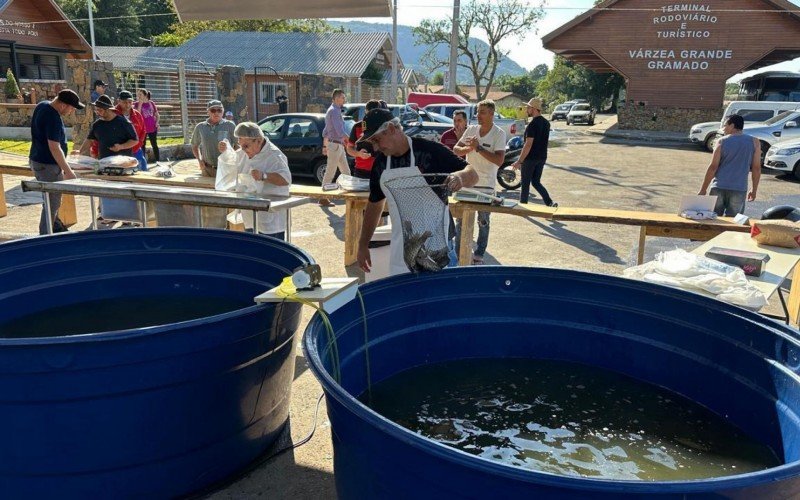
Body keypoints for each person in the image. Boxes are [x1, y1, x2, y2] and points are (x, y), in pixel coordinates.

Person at [356, 108, 479, 277]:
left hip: (439, 249)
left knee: (440, 300)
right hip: (402, 251)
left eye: (377, 139)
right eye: (372, 142)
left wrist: (460, 177)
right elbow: (374, 204)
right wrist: (363, 244)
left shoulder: (429, 151)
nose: (376, 147)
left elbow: (473, 174)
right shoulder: (381, 164)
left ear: (392, 129)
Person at [452, 99, 506, 264]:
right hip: (467, 183)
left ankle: (479, 255)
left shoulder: (499, 133)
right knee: (461, 220)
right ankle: (459, 253)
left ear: (491, 114)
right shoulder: (472, 129)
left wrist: (479, 148)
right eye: (477, 112)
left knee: (483, 222)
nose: (478, 115)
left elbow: (499, 161)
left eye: (482, 112)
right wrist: (468, 148)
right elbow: (456, 150)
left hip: (486, 185)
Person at [218, 122, 291, 240]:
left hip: (270, 218)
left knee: (271, 253)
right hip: (250, 214)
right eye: (241, 146)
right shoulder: (243, 152)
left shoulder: (274, 155)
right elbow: (232, 161)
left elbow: (286, 179)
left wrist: (264, 176)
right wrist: (226, 151)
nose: (243, 150)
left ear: (258, 140)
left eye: (246, 146)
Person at [28, 89, 84, 235]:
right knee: (52, 203)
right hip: (48, 165)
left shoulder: (42, 105)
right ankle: (46, 236)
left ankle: (55, 226)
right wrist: (68, 171)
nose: (71, 111)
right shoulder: (53, 118)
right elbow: (54, 147)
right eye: (71, 108)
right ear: (63, 105)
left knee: (51, 199)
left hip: (38, 160)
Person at [698, 114, 761, 216]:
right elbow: (756, 168)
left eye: (725, 125)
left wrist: (703, 189)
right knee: (734, 223)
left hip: (718, 187)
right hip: (739, 189)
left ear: (732, 125)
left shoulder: (721, 141)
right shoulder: (754, 142)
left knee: (712, 220)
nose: (724, 128)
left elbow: (713, 167)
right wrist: (754, 190)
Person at [513, 97, 557, 207]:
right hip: (542, 157)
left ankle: (523, 206)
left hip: (530, 158)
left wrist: (519, 161)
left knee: (525, 183)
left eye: (528, 107)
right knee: (536, 182)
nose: (527, 109)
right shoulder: (546, 123)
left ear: (533, 109)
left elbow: (528, 145)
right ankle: (550, 203)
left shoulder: (532, 125)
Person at [79, 95, 138, 160]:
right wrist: (79, 153)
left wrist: (121, 146)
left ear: (108, 110)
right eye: (96, 110)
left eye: (99, 110)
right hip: (104, 162)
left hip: (122, 163)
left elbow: (135, 140)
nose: (97, 113)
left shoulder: (124, 123)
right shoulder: (97, 124)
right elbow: (89, 140)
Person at [320, 88, 351, 206]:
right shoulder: (334, 111)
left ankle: (350, 196)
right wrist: (349, 139)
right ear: (337, 98)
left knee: (346, 171)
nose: (344, 99)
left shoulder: (333, 110)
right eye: (343, 97)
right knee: (330, 172)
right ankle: (323, 197)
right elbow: (339, 131)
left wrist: (325, 144)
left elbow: (326, 131)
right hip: (335, 145)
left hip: (337, 145)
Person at [191, 99, 237, 178]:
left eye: (219, 110)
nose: (216, 113)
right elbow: (194, 145)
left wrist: (234, 159)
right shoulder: (200, 127)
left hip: (226, 169)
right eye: (213, 110)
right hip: (207, 169)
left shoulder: (230, 125)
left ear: (223, 111)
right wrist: (199, 160)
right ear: (208, 112)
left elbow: (238, 145)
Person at [346, 99, 381, 179]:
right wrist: (359, 154)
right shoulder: (357, 126)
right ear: (366, 112)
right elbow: (349, 148)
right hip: (360, 171)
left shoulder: (385, 128)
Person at [115, 90, 147, 171]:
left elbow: (143, 130)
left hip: (136, 150)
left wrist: (139, 144)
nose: (128, 105)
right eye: (125, 102)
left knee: (142, 173)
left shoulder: (137, 115)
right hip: (118, 152)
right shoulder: (113, 114)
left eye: (130, 102)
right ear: (118, 101)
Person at [134, 88, 159, 163]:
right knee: (142, 145)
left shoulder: (151, 103)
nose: (138, 96)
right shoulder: (136, 104)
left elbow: (157, 115)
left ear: (145, 95)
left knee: (154, 144)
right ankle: (143, 161)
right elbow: (137, 114)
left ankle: (158, 160)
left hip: (152, 127)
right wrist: (140, 104)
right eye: (138, 95)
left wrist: (157, 123)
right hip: (142, 128)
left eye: (140, 94)